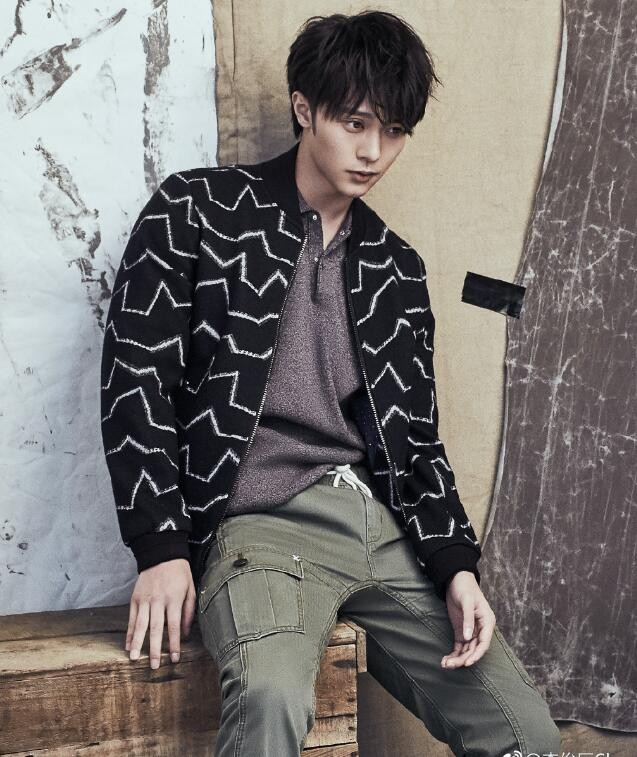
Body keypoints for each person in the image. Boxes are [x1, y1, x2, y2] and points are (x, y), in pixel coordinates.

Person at [100, 9, 561, 756]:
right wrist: (160, 546)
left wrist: (457, 568)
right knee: (271, 699)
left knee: (526, 733)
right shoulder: (197, 212)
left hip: (378, 528)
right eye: (355, 123)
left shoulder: (395, 268)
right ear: (303, 107)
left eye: (394, 131)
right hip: (259, 523)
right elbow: (136, 380)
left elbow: (416, 441)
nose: (374, 151)